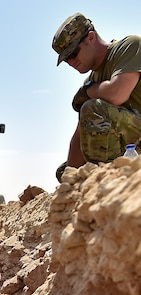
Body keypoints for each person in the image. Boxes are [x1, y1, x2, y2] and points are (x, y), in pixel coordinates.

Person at [52, 13, 141, 182]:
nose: (71, 62)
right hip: (128, 144)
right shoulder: (92, 81)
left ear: (91, 37)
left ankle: (105, 183)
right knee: (65, 172)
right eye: (66, 59)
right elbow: (81, 131)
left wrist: (89, 91)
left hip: (135, 140)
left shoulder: (130, 47)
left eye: (73, 54)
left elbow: (117, 94)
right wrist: (69, 178)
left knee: (93, 108)